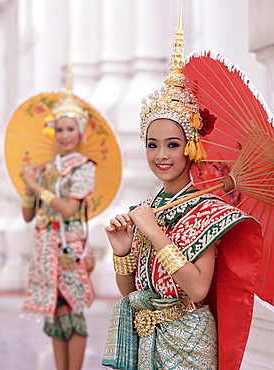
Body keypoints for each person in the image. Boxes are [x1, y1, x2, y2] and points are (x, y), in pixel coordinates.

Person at [102, 14, 263, 370]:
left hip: (190, 342)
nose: (161, 155)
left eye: (172, 144)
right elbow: (132, 293)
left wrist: (155, 234)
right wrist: (122, 253)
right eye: (152, 144)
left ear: (190, 147)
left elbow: (198, 289)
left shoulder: (208, 210)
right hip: (147, 341)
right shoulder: (146, 208)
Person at [20, 72, 96, 370]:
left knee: (74, 311)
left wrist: (38, 187)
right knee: (56, 311)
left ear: (80, 132)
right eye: (59, 129)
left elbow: (67, 209)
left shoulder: (84, 167)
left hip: (68, 246)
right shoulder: (48, 167)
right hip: (45, 245)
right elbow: (29, 215)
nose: (64, 135)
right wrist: (29, 187)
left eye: (70, 129)